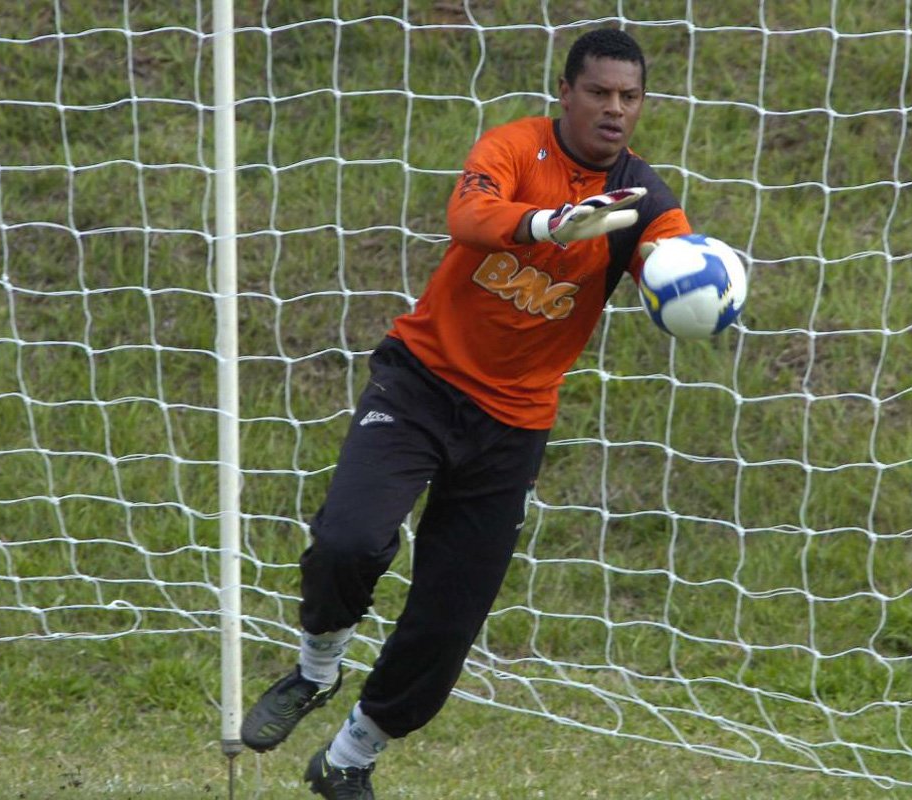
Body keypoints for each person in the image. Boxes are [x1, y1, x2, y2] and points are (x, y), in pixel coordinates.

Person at [240, 27, 693, 799]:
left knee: (450, 616)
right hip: (420, 383)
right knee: (350, 539)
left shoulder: (644, 198)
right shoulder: (516, 149)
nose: (615, 110)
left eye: (630, 97)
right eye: (599, 93)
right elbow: (467, 214)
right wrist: (548, 224)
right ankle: (316, 670)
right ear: (566, 93)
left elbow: (676, 258)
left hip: (513, 425)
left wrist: (697, 279)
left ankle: (350, 758)